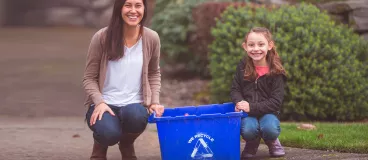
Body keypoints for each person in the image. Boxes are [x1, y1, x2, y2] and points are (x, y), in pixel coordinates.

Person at [82, 0, 164, 159]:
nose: (133, 10)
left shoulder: (151, 38)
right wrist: (99, 102)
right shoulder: (102, 37)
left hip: (134, 104)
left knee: (137, 116)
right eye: (128, 5)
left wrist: (154, 101)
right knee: (109, 133)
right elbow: (89, 78)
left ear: (144, 9)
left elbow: (154, 73)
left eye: (138, 5)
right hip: (105, 104)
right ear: (119, 8)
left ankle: (126, 144)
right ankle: (99, 149)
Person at [230, 27, 287, 159]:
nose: (256, 49)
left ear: (269, 46)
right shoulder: (243, 66)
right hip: (248, 113)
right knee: (248, 129)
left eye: (261, 44)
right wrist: (239, 102)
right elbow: (235, 89)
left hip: (268, 112)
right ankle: (252, 142)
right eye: (251, 45)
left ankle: (272, 141)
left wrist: (252, 107)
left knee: (270, 128)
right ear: (245, 47)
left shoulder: (276, 72)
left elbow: (276, 102)